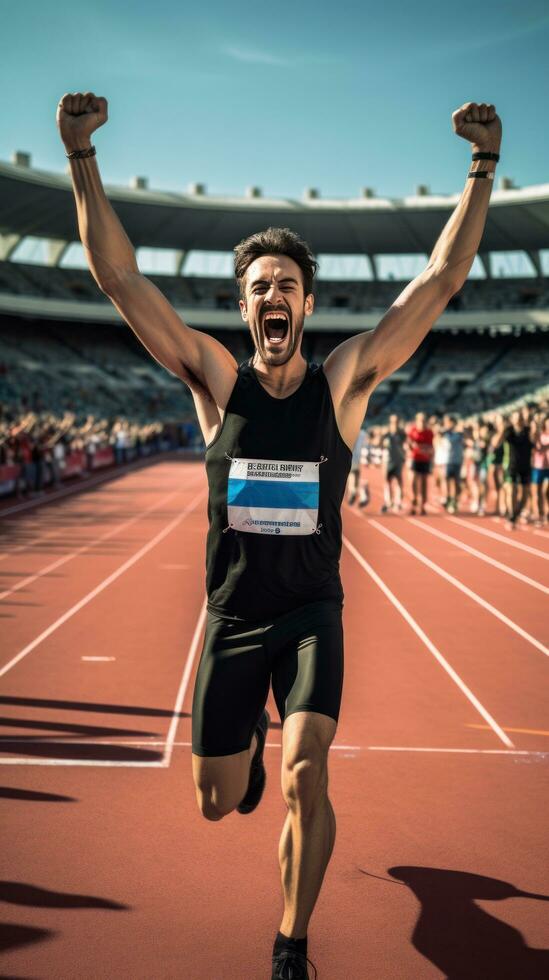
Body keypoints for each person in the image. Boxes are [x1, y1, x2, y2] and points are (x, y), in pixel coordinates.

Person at [57, 91, 501, 978]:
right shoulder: (218, 383)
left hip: (308, 613)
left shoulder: (343, 383)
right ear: (244, 303)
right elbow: (121, 282)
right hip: (231, 618)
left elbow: (439, 283)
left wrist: (481, 169)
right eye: (258, 287)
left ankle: (291, 942)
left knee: (310, 773)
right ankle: (243, 755)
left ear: (303, 305)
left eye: (286, 287)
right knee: (220, 803)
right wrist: (80, 156)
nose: (272, 297)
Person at [492, 409, 534, 529]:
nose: (519, 420)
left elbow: (534, 442)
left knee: (525, 495)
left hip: (525, 466)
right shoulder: (509, 431)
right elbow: (495, 443)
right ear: (512, 419)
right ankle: (511, 516)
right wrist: (502, 430)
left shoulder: (528, 430)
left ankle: (515, 514)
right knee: (512, 490)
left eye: (521, 417)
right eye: (517, 417)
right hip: (511, 466)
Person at [406, 412, 434, 515]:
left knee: (423, 483)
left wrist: (422, 448)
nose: (422, 422)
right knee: (412, 480)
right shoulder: (412, 430)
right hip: (414, 458)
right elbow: (408, 443)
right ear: (417, 421)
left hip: (425, 459)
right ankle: (414, 501)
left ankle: (422, 505)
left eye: (423, 420)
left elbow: (430, 447)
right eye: (420, 420)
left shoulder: (429, 432)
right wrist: (410, 446)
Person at [380, 413, 406, 513]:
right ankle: (388, 502)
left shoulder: (402, 434)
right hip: (387, 461)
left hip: (398, 461)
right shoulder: (386, 433)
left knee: (399, 481)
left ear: (399, 422)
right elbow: (379, 444)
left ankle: (398, 502)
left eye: (396, 421)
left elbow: (406, 445)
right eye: (392, 421)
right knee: (387, 481)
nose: (394, 423)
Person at [441, 415, 464, 514]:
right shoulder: (444, 433)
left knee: (455, 482)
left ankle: (453, 501)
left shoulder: (459, 434)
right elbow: (438, 433)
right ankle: (447, 498)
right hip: (446, 461)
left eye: (449, 422)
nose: (448, 424)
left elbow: (465, 435)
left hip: (456, 461)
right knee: (446, 481)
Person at [530, 414, 549, 527]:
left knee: (545, 491)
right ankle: (541, 515)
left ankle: (546, 513)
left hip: (548, 468)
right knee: (537, 493)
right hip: (538, 467)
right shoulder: (540, 435)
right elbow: (538, 447)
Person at [347, 425, 370, 507]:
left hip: (352, 458)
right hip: (360, 460)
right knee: (356, 478)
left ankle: (355, 493)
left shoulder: (349, 433)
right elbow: (367, 446)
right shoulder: (363, 434)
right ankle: (361, 494)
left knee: (352, 478)